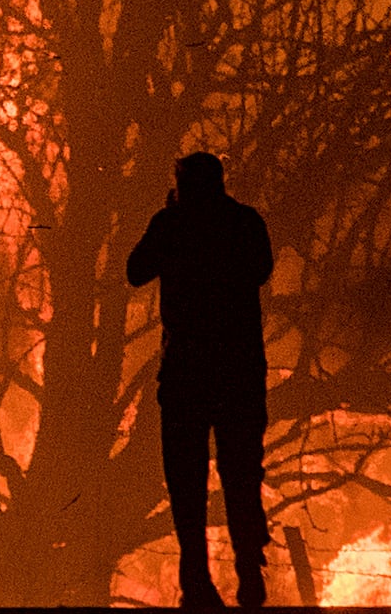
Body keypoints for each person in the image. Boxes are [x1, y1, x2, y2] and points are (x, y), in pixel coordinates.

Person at [128, 150, 276, 607]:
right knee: (241, 473)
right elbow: (262, 271)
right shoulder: (245, 222)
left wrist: (170, 223)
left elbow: (135, 272)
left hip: (186, 373)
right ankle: (248, 572)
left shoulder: (171, 224)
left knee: (186, 481)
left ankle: (196, 579)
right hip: (238, 371)